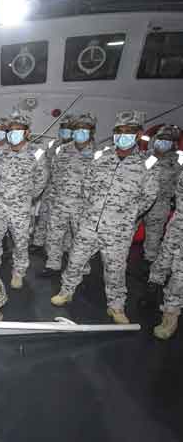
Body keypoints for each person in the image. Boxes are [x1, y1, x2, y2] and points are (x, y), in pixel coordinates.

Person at [51, 110, 159, 324]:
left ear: (138, 135)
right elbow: (87, 185)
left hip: (118, 230)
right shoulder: (102, 157)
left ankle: (116, 306)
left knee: (115, 269)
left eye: (129, 132)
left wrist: (126, 215)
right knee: (75, 259)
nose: (123, 136)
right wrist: (94, 209)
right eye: (119, 131)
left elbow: (149, 197)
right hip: (90, 223)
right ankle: (66, 291)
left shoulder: (147, 164)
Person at [0, 111, 48, 289]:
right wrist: (4, 192)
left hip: (20, 208)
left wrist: (26, 197)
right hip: (0, 205)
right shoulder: (0, 152)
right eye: (11, 130)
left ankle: (18, 273)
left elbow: (41, 180)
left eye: (18, 130)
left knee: (21, 243)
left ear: (27, 133)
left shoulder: (37, 154)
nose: (13, 133)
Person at [41, 113, 96, 276]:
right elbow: (54, 174)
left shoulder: (98, 154)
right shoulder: (63, 150)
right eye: (77, 129)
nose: (80, 132)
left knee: (81, 239)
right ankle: (53, 264)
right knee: (54, 235)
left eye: (84, 129)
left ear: (91, 132)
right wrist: (52, 197)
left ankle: (81, 267)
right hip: (60, 202)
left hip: (83, 206)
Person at [150, 153, 183, 339]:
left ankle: (170, 315)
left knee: (180, 273)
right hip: (178, 223)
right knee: (163, 258)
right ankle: (153, 286)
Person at [31, 114, 76, 250]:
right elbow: (45, 163)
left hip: (68, 192)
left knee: (65, 223)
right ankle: (38, 243)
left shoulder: (77, 147)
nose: (65, 131)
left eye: (68, 129)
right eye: (63, 128)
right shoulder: (53, 144)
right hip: (50, 186)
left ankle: (63, 249)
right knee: (44, 215)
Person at [142, 125, 181, 263]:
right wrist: (155, 157)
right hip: (139, 201)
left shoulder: (178, 161)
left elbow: (179, 184)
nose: (163, 141)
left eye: (168, 139)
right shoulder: (146, 155)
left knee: (154, 234)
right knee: (127, 231)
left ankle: (149, 260)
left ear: (173, 143)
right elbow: (140, 171)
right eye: (161, 138)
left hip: (160, 204)